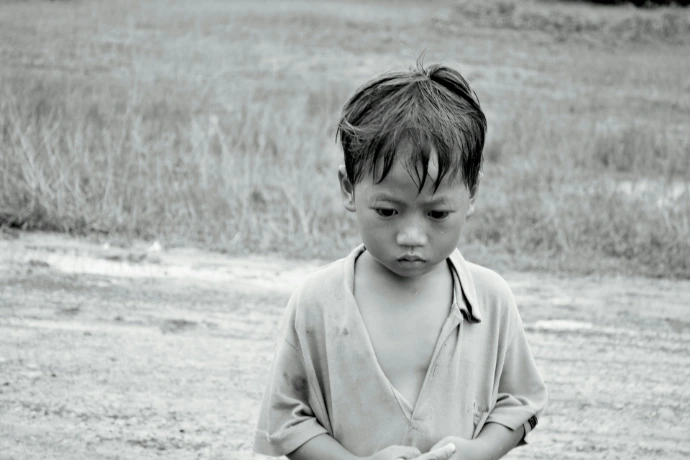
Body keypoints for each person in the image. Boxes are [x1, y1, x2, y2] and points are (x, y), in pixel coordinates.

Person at [252, 61, 548, 460]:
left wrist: (479, 450)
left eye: (437, 214)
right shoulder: (318, 302)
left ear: (472, 194)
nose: (411, 236)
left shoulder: (489, 299)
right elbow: (286, 419)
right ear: (348, 189)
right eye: (388, 212)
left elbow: (519, 401)